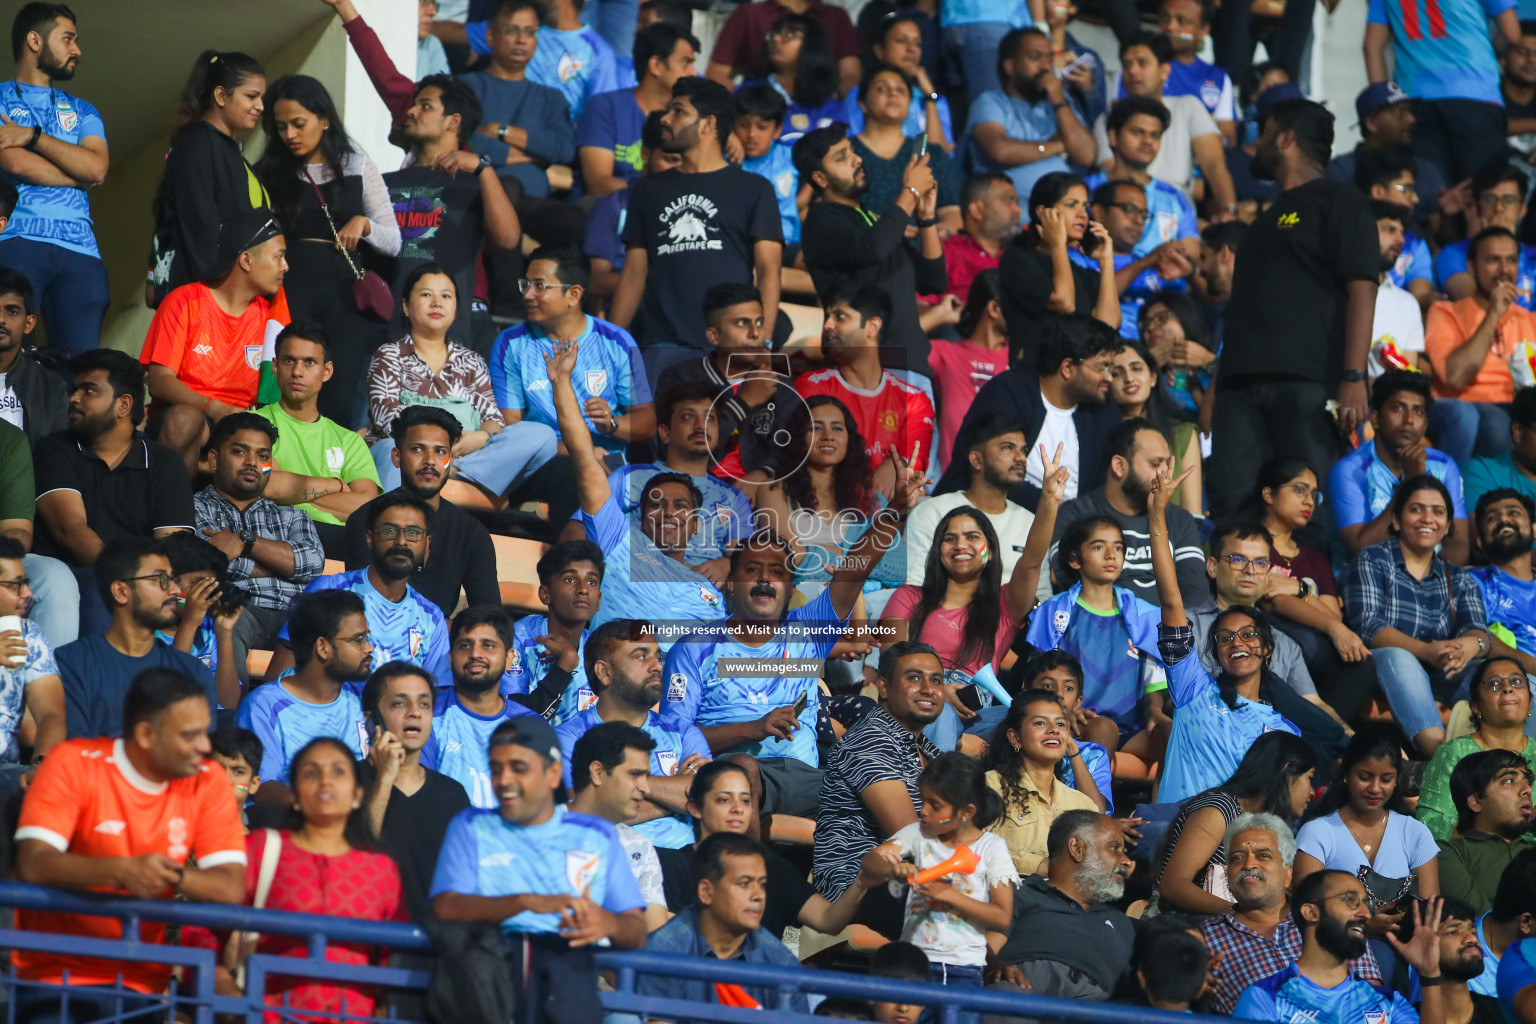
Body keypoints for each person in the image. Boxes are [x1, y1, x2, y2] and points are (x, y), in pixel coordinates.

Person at [664, 458, 919, 816]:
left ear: (791, 587)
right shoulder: (693, 649)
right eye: (753, 570)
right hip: (729, 780)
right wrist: (752, 728)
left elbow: (853, 572)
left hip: (807, 780)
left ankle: (918, 863)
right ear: (732, 584)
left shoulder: (808, 632)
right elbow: (674, 737)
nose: (765, 579)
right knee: (742, 769)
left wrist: (895, 511)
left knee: (876, 771)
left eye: (777, 572)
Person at [12, 669, 245, 1019]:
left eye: (205, 732)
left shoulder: (208, 781)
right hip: (53, 972)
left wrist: (169, 877)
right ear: (146, 735)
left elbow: (230, 887)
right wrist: (123, 871)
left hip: (141, 981)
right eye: (190, 735)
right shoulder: (72, 762)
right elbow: (33, 862)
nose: (205, 747)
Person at [1207, 99, 1379, 525]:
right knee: (1234, 505)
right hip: (1240, 387)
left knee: (1304, 513)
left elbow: (1362, 286)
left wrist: (1354, 377)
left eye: (1264, 133)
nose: (1257, 143)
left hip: (1308, 383)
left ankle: (1305, 592)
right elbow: (1243, 311)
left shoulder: (1341, 200)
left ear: (1286, 139)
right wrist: (1216, 383)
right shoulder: (1263, 222)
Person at [430, 715, 645, 1024]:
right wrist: (525, 903)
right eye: (496, 769)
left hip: (568, 986)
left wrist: (607, 922)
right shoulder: (469, 825)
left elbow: (636, 932)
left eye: (519, 768)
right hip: (486, 989)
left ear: (553, 773)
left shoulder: (598, 835)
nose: (503, 780)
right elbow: (446, 907)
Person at [546, 339, 727, 642]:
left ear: (696, 525)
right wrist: (561, 381)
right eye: (656, 504)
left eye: (681, 506)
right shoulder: (618, 542)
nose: (668, 512)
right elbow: (582, 452)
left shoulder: (709, 594)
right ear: (641, 519)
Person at [1148, 466, 1303, 804]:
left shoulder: (1283, 730)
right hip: (1178, 831)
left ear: (1266, 648)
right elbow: (1170, 598)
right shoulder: (1193, 691)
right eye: (1225, 638)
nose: (1237, 644)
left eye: (1248, 635)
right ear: (1215, 652)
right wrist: (1157, 514)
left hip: (1240, 846)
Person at [611, 77, 782, 382]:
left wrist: (762, 343)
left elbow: (769, 270)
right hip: (663, 344)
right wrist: (613, 343)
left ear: (707, 124)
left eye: (678, 111)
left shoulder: (754, 188)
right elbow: (634, 274)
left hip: (732, 347)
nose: (665, 118)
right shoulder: (647, 190)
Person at [221, 737, 406, 1018]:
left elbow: (393, 957)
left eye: (338, 772)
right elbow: (204, 933)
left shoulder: (381, 869)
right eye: (311, 773)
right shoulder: (261, 849)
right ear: (294, 796)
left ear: (358, 796)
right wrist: (229, 996)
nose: (325, 782)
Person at [252, 75, 400, 423]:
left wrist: (364, 224)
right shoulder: (266, 174)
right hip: (288, 289)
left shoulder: (358, 166)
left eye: (299, 124)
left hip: (344, 295)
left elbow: (393, 241)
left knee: (341, 388)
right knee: (283, 383)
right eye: (282, 126)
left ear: (325, 119)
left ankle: (336, 472)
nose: (290, 135)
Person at [31, 349, 195, 636]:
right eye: (74, 390)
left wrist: (146, 586)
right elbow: (71, 531)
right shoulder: (54, 449)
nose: (74, 398)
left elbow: (175, 548)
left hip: (142, 585)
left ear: (123, 405)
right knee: (100, 594)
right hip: (74, 578)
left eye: (89, 390)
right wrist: (130, 582)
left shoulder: (164, 463)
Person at [367, 266, 555, 510]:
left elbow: (494, 421)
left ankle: (449, 475)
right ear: (405, 306)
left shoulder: (471, 361)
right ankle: (438, 497)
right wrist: (441, 442)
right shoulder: (389, 355)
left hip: (463, 461)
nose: (437, 303)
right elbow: (386, 419)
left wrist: (481, 436)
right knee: (388, 449)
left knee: (541, 436)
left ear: (456, 306)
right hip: (410, 457)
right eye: (426, 295)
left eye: (446, 296)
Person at [884, 445, 1064, 695]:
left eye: (972, 537)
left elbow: (1031, 562)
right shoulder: (907, 597)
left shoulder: (1005, 604)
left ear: (989, 552)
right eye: (949, 538)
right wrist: (941, 693)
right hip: (918, 702)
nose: (960, 545)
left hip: (978, 713)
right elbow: (891, 666)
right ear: (937, 550)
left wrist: (1049, 501)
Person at [1343, 476, 1490, 756]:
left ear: (1447, 526)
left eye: (1438, 511)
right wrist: (1426, 650)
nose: (1428, 518)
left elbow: (1479, 631)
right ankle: (1439, 754)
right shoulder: (1372, 559)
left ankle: (1522, 760)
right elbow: (1368, 625)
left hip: (1445, 672)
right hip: (1388, 670)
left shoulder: (1458, 577)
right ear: (1396, 520)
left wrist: (1467, 647)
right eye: (1416, 509)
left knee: (1514, 680)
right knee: (1401, 657)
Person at [656, 760, 885, 938]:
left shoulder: (771, 867)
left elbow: (828, 920)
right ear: (695, 808)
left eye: (746, 801)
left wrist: (861, 882)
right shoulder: (673, 865)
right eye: (724, 800)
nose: (738, 809)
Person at [140, 211, 288, 476]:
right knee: (186, 420)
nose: (285, 266)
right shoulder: (185, 301)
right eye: (278, 257)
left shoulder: (271, 320)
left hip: (245, 426)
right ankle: (174, 512)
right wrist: (214, 408)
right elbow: (159, 379)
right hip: (191, 417)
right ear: (246, 260)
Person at [812, 641, 944, 935]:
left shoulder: (927, 750)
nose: (928, 688)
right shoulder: (871, 739)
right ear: (883, 688)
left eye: (936, 680)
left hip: (912, 879)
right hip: (856, 888)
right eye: (914, 678)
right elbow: (910, 834)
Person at [0, 3, 107, 356]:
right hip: (17, 240)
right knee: (8, 362)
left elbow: (97, 168)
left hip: (81, 250)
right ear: (35, 40)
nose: (77, 50)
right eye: (68, 39)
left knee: (78, 373)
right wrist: (78, 176)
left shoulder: (84, 109)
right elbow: (14, 162)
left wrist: (32, 136)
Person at [860, 753, 1017, 993]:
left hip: (964, 968)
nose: (923, 811)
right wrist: (893, 868)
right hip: (913, 965)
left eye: (935, 805)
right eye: (922, 801)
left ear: (966, 812)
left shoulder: (991, 847)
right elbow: (870, 862)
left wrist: (948, 894)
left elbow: (1001, 917)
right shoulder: (918, 833)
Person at [791, 125, 944, 371]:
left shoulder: (871, 220)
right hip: (863, 369)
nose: (857, 159)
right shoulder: (821, 221)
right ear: (820, 178)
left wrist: (926, 218)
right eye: (842, 157)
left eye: (852, 151)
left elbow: (933, 281)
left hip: (910, 363)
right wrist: (911, 192)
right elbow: (872, 250)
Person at [381, 74, 521, 343]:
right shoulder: (382, 182)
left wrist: (484, 168)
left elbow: (508, 239)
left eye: (425, 105)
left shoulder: (475, 182)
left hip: (449, 339)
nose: (411, 111)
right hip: (386, 335)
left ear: (453, 121)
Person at [933, 314, 1123, 511]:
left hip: (1071, 529)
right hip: (985, 516)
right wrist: (1063, 513)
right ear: (1067, 367)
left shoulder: (1103, 409)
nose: (1109, 378)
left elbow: (1107, 484)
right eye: (1102, 367)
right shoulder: (1008, 392)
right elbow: (993, 471)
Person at [1202, 813, 1387, 1014]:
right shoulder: (1205, 940)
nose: (1248, 865)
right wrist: (1194, 988)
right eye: (1237, 858)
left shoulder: (1335, 918)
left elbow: (1372, 1002)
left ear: (1288, 873)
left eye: (1263, 855)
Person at [193, 413, 324, 685]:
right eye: (240, 452)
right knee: (222, 623)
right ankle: (229, 718)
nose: (252, 463)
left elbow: (311, 564)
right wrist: (281, 566)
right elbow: (206, 561)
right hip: (234, 609)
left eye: (263, 456)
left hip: (293, 614)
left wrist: (245, 542)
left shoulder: (292, 515)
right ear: (215, 459)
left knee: (328, 629)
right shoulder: (194, 507)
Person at [1293, 727, 1442, 963]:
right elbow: (1305, 906)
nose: (1375, 789)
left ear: (1396, 779)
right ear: (1346, 774)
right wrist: (1366, 925)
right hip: (1334, 949)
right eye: (1364, 777)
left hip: (1409, 949)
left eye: (1386, 779)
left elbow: (1428, 911)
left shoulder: (1415, 833)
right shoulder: (1318, 832)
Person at [490, 245, 653, 461]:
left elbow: (647, 422)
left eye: (539, 286)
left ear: (573, 295)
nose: (528, 295)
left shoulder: (616, 341)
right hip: (542, 461)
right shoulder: (510, 343)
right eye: (526, 285)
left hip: (606, 463)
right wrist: (581, 453)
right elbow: (510, 426)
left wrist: (612, 423)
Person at [268, 493, 450, 684]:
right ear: (370, 538)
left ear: (426, 544)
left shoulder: (432, 617)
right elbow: (278, 678)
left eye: (413, 532)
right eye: (389, 530)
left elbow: (436, 697)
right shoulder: (328, 590)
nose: (401, 541)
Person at [555, 619, 703, 848]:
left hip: (685, 864)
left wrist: (618, 786)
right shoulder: (568, 739)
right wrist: (677, 793)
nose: (657, 666)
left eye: (657, 657)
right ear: (604, 672)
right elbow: (583, 813)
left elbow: (707, 798)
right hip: (611, 863)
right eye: (641, 656)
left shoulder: (684, 733)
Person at [343, 405, 499, 618]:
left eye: (440, 451)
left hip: (439, 645)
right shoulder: (364, 520)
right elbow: (359, 607)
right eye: (417, 449)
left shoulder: (471, 533)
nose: (430, 461)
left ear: (450, 460)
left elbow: (489, 615)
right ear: (396, 457)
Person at [573, 381, 748, 568]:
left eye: (710, 418)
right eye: (688, 417)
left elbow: (744, 558)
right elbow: (578, 527)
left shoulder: (734, 498)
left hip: (703, 592)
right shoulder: (629, 477)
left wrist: (727, 564)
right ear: (665, 433)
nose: (700, 426)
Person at [1231, 871, 1445, 1024]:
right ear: (1311, 912)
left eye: (1366, 903)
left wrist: (1430, 975)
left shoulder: (1386, 1002)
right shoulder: (1265, 997)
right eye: (1350, 900)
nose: (1364, 913)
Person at [56, 539, 217, 739]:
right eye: (161, 580)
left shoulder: (193, 671)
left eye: (173, 580)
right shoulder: (71, 662)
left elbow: (198, 754)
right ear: (121, 592)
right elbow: (73, 749)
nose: (175, 591)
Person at [637, 833, 811, 1013]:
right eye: (744, 884)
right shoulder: (664, 950)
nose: (758, 895)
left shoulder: (781, 961)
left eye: (762, 885)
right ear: (706, 891)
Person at [149, 50, 269, 306]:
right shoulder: (197, 145)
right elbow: (202, 230)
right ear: (221, 96)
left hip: (227, 297)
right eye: (251, 96)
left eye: (261, 97)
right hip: (203, 300)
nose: (260, 106)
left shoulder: (225, 148)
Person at [252, 320, 382, 553]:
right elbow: (270, 487)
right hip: (277, 535)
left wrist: (291, 493)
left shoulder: (349, 441)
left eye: (309, 362)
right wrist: (337, 486)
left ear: (327, 371)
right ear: (275, 366)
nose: (297, 372)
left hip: (338, 543)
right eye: (289, 360)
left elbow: (366, 508)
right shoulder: (253, 424)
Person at [1045, 417, 1204, 607]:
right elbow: (1070, 582)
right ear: (1119, 466)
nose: (1164, 474)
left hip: (1169, 632)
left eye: (1166, 464)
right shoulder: (1076, 514)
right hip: (1101, 628)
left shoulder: (1179, 519)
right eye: (1155, 464)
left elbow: (1196, 595)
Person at [358, 661, 471, 923]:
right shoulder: (348, 781)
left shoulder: (452, 795)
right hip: (361, 936)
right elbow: (359, 857)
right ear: (370, 718)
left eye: (424, 704)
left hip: (427, 946)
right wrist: (385, 779)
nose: (414, 713)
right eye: (399, 703)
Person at [1153, 734, 1317, 915]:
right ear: (1286, 771)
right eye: (1310, 777)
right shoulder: (1218, 810)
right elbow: (1173, 886)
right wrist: (1245, 916)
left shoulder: (1268, 826)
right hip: (1181, 925)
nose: (1312, 791)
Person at [652, 283, 798, 483]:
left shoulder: (779, 385)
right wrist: (744, 402)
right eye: (742, 323)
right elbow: (672, 449)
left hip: (759, 492)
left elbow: (791, 446)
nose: (755, 333)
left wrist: (764, 472)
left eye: (759, 322)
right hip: (693, 485)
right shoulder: (681, 378)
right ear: (714, 335)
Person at [1362, 0, 1520, 184]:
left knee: (1431, 195)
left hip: (1413, 101)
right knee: (1484, 190)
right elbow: (1512, 34)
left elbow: (1371, 46)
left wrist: (1385, 106)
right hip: (1476, 94)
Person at [795, 285, 936, 484]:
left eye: (840, 317)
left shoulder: (915, 400)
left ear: (872, 327)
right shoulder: (811, 386)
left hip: (888, 509)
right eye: (826, 317)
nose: (827, 325)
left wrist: (896, 465)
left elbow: (915, 461)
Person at [988, 810, 1135, 1000]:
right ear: (1077, 848)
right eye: (1114, 848)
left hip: (1094, 1004)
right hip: (1024, 987)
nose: (1126, 861)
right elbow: (986, 949)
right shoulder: (1020, 894)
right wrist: (996, 965)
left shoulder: (1121, 922)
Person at [1329, 370, 1470, 564]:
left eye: (1418, 411)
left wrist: (1430, 582)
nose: (1409, 420)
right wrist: (1411, 484)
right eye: (1398, 408)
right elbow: (1359, 549)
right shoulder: (1349, 471)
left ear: (1425, 425)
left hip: (1428, 578)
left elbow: (1459, 543)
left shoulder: (1444, 466)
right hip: (1367, 580)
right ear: (1375, 418)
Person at [236, 590, 371, 789]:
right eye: (358, 639)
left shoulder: (358, 703)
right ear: (323, 648)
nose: (369, 648)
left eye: (367, 638)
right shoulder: (263, 707)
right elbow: (262, 788)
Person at [1425, 228, 1534, 466]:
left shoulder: (1529, 320)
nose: (1504, 270)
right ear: (1471, 267)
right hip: (1462, 405)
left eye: (1511, 260)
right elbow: (1454, 377)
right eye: (1493, 260)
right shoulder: (1445, 312)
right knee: (1494, 425)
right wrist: (1493, 313)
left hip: (1517, 408)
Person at [966, 29, 1097, 217]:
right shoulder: (991, 102)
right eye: (1035, 57)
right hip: (1013, 218)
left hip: (1064, 219)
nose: (1045, 67)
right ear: (1010, 66)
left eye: (1049, 59)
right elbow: (1000, 151)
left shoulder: (1060, 105)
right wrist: (1058, 146)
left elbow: (1086, 156)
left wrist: (1060, 102)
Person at [1100, 32, 1237, 212]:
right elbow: (1113, 174)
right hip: (1128, 211)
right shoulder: (1108, 118)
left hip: (1180, 212)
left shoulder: (1188, 107)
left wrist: (1229, 210)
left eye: (1142, 63)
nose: (1132, 71)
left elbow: (1214, 165)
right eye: (1127, 65)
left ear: (1164, 71)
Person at [993, 176, 1120, 370]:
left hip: (1076, 379)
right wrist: (1058, 243)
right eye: (1072, 205)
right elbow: (1064, 302)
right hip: (1034, 375)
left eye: (1085, 206)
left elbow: (1107, 326)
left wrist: (1106, 260)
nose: (1082, 214)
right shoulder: (1018, 258)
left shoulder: (1081, 272)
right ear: (1043, 213)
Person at [419, 606, 540, 810]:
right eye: (465, 645)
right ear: (450, 658)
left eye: (488, 645)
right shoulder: (425, 715)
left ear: (509, 658)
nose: (475, 654)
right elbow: (419, 801)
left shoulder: (531, 727)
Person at [462, 0, 577, 203]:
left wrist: (502, 131)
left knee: (572, 222)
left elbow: (564, 149)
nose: (521, 40)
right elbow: (468, 144)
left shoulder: (551, 98)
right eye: (511, 30)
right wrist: (538, 157)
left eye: (530, 32)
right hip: (474, 199)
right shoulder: (464, 87)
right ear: (490, 35)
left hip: (533, 204)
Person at [982, 689, 1105, 873]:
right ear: (1015, 738)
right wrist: (1041, 866)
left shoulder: (1081, 804)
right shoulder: (990, 786)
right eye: (1040, 723)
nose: (1054, 730)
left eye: (1061, 724)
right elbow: (972, 846)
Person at [565, 721, 671, 930]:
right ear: (597, 773)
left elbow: (654, 932)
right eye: (634, 775)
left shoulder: (640, 847)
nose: (645, 787)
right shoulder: (536, 829)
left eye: (646, 777)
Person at [905, 415, 1033, 586]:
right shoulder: (932, 513)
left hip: (1015, 613)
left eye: (1023, 450)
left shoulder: (1031, 522)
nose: (1021, 458)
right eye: (1008, 448)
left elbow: (1042, 596)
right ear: (976, 459)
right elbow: (915, 589)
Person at [1418, 657, 1536, 843]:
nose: (1507, 688)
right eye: (1494, 684)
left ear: (1529, 703)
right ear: (1475, 707)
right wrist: (1490, 822)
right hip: (1472, 862)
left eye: (1516, 681)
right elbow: (1428, 825)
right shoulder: (1454, 753)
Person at [577, 20, 698, 197]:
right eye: (685, 63)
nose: (693, 73)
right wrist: (658, 198)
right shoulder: (605, 107)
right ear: (656, 65)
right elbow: (598, 182)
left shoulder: (692, 117)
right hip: (613, 210)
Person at [849, 63, 961, 234]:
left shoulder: (931, 154)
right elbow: (827, 210)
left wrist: (940, 230)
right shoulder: (845, 153)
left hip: (923, 250)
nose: (893, 93)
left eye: (901, 90)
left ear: (909, 103)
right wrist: (877, 225)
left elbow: (953, 213)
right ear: (862, 103)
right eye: (881, 88)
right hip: (862, 250)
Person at [1087, 99, 1199, 268]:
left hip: (1165, 291)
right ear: (1113, 136)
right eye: (1138, 132)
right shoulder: (1085, 191)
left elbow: (1192, 256)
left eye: (1155, 135)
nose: (1148, 141)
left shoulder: (1174, 197)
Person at [1324, 82, 1447, 236]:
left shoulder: (1427, 170)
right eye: (1399, 112)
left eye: (1410, 111)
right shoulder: (1341, 170)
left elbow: (1438, 238)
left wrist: (1447, 215)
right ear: (1372, 123)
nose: (1410, 119)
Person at [502, 540, 604, 722]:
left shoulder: (602, 651)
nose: (583, 590)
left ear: (598, 601)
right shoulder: (518, 639)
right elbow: (513, 720)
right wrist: (565, 664)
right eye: (570, 580)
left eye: (592, 582)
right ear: (545, 594)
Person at [925, 278, 1011, 475]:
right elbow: (890, 348)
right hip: (954, 486)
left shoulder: (1020, 360)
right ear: (994, 309)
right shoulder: (947, 353)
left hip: (1007, 486)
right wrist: (938, 314)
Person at [1106, 340, 1201, 513]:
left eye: (1136, 368)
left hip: (1173, 536)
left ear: (1153, 377)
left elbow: (1193, 514)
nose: (1129, 378)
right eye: (1117, 373)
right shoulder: (1100, 434)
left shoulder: (1183, 434)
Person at [1438, 749, 1536, 914]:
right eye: (1510, 780)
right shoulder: (1451, 853)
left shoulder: (1532, 847)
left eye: (1527, 782)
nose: (1527, 790)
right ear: (1476, 801)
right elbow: (1479, 922)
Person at [0, 536, 63, 784]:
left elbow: (51, 713)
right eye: (16, 585)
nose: (28, 593)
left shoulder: (28, 634)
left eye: (25, 583)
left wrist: (41, 765)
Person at [703, 0, 860, 97]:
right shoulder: (749, 13)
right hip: (760, 109)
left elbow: (851, 75)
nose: (777, 39)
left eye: (790, 35)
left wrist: (830, 101)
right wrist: (748, 103)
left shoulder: (835, 16)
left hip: (820, 105)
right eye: (774, 35)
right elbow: (716, 73)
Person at [843, 11, 953, 148]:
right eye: (901, 40)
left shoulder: (935, 99)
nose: (911, 49)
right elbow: (853, 146)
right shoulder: (859, 94)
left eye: (917, 43)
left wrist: (930, 98)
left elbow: (941, 157)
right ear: (879, 50)